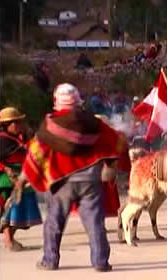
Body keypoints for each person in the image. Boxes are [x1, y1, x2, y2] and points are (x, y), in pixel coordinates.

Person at [19, 83, 128, 271]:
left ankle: (50, 260)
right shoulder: (93, 122)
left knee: (54, 222)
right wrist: (116, 165)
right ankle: (100, 262)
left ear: (56, 101)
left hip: (60, 181)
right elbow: (117, 140)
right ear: (78, 101)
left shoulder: (49, 125)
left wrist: (25, 176)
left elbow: (36, 152)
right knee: (95, 223)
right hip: (90, 180)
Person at [0, 107, 42, 251]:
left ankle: (10, 238)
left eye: (19, 122)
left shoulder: (16, 138)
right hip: (7, 179)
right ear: (7, 125)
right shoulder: (3, 140)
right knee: (10, 207)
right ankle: (8, 239)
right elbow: (12, 157)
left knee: (20, 207)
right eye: (15, 123)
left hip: (20, 178)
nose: (19, 125)